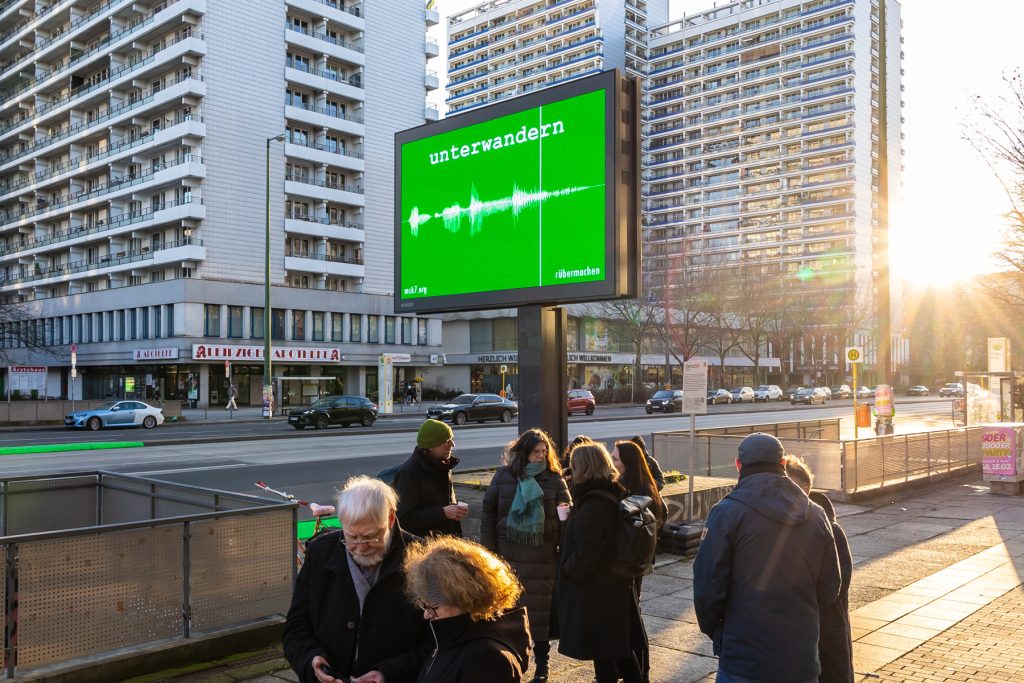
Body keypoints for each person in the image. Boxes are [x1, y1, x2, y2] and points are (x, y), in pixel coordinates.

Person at [693, 433, 842, 683]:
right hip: (800, 659)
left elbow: (707, 586)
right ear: (782, 464)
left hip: (744, 660)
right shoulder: (816, 514)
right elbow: (830, 587)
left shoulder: (726, 513)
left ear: (738, 465)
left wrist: (718, 631)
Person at [283, 476, 430, 683]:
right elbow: (296, 627)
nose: (360, 547)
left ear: (390, 518)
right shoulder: (320, 553)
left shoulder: (423, 558)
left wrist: (389, 673)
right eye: (351, 537)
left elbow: (436, 641)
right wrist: (310, 660)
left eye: (370, 536)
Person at [554, 442, 649, 683]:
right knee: (618, 651)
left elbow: (588, 553)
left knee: (606, 654)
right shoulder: (609, 494)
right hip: (612, 588)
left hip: (598, 592)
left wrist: (566, 569)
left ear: (583, 468)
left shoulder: (593, 504)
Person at [481, 429, 572, 683]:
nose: (541, 456)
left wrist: (562, 535)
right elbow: (488, 513)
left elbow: (566, 516)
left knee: (539, 614)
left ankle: (542, 666)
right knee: (510, 612)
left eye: (544, 451)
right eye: (536, 452)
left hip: (542, 557)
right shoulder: (504, 476)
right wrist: (489, 553)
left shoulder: (554, 479)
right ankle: (513, 663)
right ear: (523, 453)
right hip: (508, 557)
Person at [404, 536, 531, 683]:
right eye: (423, 605)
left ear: (463, 601)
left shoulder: (486, 659)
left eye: (432, 607)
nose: (426, 615)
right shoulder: (453, 639)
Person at [785, 455, 854, 683]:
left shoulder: (830, 529)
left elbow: (837, 584)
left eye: (795, 488)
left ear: (807, 490)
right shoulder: (779, 530)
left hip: (826, 634)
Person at [393, 419, 468, 538]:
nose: (452, 444)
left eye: (451, 439)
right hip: (423, 546)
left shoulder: (443, 465)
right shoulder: (408, 473)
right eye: (446, 441)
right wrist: (442, 513)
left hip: (446, 542)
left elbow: (444, 505)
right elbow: (402, 520)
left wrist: (455, 510)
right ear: (431, 447)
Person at [612, 440, 667, 529]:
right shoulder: (623, 485)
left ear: (628, 464)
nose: (610, 463)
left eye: (614, 459)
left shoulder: (640, 493)